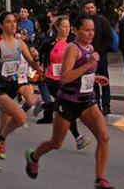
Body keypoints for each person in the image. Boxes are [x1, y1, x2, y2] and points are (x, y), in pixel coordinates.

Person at [24, 15, 116, 189]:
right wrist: (89, 64)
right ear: (76, 31)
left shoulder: (90, 48)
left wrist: (95, 77)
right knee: (56, 143)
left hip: (87, 99)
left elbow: (82, 74)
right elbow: (65, 77)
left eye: (93, 30)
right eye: (87, 30)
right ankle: (33, 156)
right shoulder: (72, 49)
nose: (91, 34)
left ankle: (100, 179)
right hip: (68, 101)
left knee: (104, 137)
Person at [0, 12, 43, 171]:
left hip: (12, 86)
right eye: (8, 22)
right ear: (1, 25)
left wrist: (36, 58)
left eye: (14, 21)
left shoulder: (20, 44)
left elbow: (34, 66)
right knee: (20, 117)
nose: (13, 24)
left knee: (4, 126)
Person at [36, 16, 91, 149]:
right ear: (57, 28)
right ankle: (78, 137)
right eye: (64, 27)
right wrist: (39, 66)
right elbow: (37, 54)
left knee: (67, 107)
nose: (67, 30)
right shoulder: (49, 43)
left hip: (68, 79)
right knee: (67, 107)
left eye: (68, 27)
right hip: (52, 79)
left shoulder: (72, 44)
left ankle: (45, 105)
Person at [83, 0, 115, 115]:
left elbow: (109, 38)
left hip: (101, 57)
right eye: (87, 8)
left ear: (95, 8)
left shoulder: (102, 21)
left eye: (91, 7)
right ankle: (95, 105)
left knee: (104, 81)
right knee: (92, 81)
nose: (90, 9)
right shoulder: (83, 23)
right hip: (88, 57)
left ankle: (106, 105)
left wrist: (99, 51)